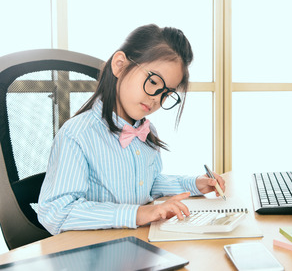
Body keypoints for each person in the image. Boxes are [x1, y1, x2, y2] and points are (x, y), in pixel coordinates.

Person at [38, 24, 225, 235]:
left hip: (134, 241)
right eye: (153, 82)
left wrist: (194, 184)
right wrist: (138, 214)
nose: (156, 99)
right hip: (93, 251)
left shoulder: (146, 131)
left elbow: (147, 183)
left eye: (166, 93)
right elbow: (55, 212)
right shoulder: (78, 134)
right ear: (119, 65)